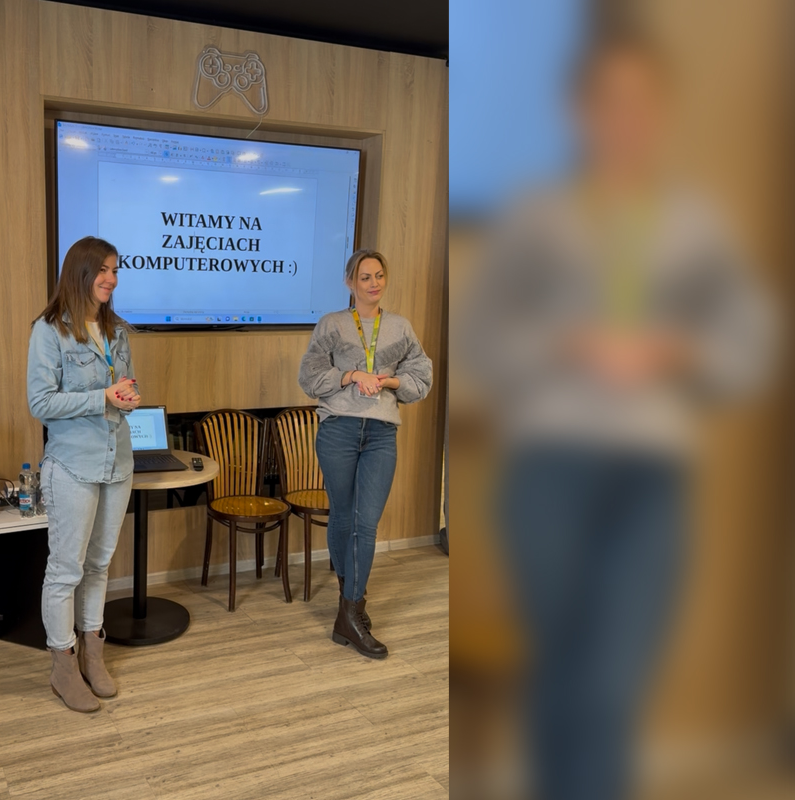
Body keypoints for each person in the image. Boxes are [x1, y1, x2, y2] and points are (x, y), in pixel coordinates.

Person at [462, 30, 774, 800]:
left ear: (663, 113)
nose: (624, 117)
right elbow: (481, 335)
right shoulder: (536, 216)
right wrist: (565, 342)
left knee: (610, 685)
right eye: (608, 100)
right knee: (558, 678)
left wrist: (681, 350)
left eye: (641, 102)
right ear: (578, 111)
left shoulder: (697, 224)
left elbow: (754, 340)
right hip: (550, 469)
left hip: (652, 478)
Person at [298, 249, 433, 659]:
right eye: (364, 277)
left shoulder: (400, 327)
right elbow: (309, 376)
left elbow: (421, 375)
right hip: (338, 428)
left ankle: (351, 610)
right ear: (350, 282)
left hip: (380, 432)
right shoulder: (332, 324)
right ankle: (350, 608)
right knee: (343, 516)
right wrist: (352, 374)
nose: (373, 283)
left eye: (379, 276)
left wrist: (390, 381)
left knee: (365, 522)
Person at [27, 236, 141, 712]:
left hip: (118, 463)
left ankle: (94, 653)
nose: (111, 279)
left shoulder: (118, 331)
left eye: (115, 270)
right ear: (80, 272)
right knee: (66, 571)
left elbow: (124, 387)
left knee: (98, 565)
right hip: (73, 466)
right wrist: (102, 398)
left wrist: (127, 397)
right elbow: (40, 402)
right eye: (103, 270)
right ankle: (63, 665)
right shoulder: (49, 330)